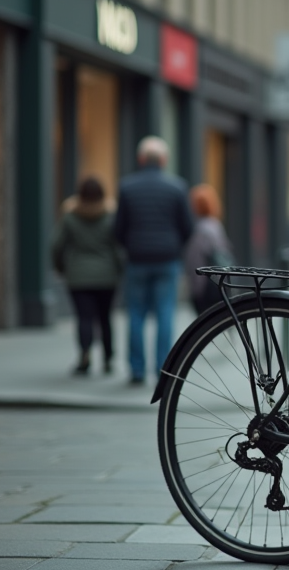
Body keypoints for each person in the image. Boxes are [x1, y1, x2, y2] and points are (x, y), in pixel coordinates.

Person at [113, 136, 194, 385]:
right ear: (164, 160)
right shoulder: (177, 187)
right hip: (167, 259)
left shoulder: (127, 187)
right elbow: (188, 227)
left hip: (137, 259)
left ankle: (137, 370)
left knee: (135, 313)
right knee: (165, 313)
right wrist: (175, 246)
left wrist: (131, 246)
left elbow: (118, 228)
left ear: (141, 159)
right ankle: (163, 369)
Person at [51, 176, 123, 375]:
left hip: (78, 275)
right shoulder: (110, 216)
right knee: (105, 318)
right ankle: (108, 358)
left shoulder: (70, 216)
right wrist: (120, 269)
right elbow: (117, 247)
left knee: (84, 318)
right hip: (107, 275)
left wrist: (60, 267)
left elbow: (56, 245)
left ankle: (85, 355)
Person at [182, 183, 236, 315]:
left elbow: (195, 261)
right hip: (219, 282)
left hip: (206, 287)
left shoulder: (200, 230)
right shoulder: (216, 225)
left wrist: (195, 291)